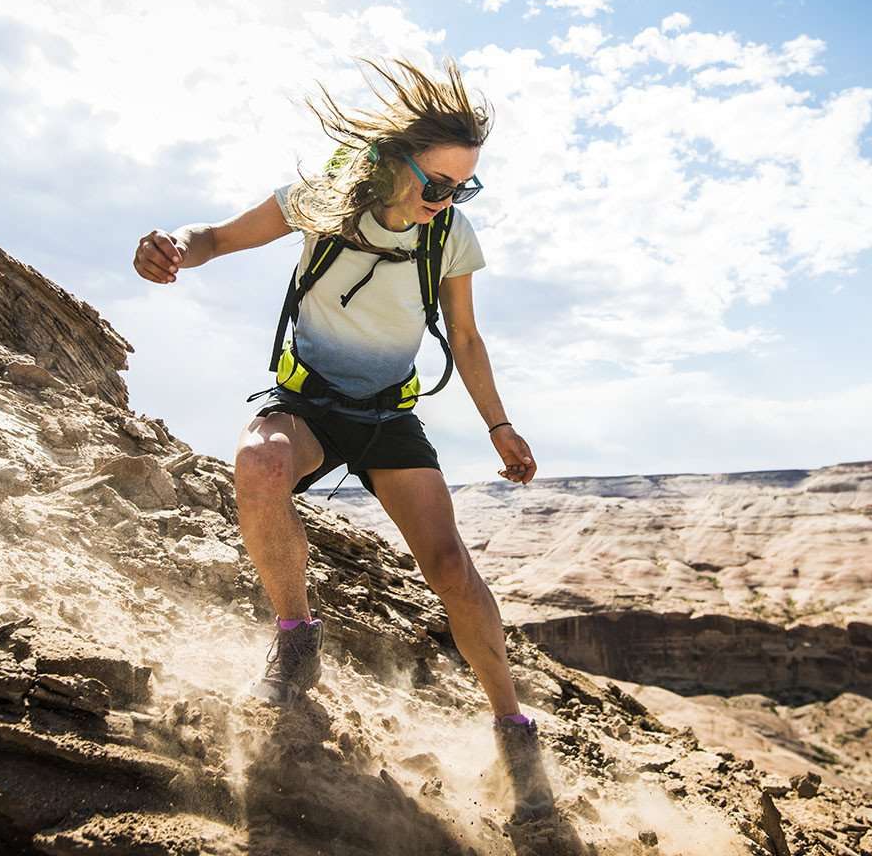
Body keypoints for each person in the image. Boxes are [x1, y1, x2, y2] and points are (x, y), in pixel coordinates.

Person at [133, 56, 555, 821]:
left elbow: (464, 333)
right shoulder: (319, 203)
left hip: (388, 417)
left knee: (451, 568)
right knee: (260, 462)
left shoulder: (449, 235)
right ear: (393, 164)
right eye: (437, 184)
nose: (448, 200)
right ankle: (297, 639)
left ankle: (512, 730)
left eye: (464, 187)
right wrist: (173, 247)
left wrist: (500, 424)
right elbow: (217, 238)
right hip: (307, 404)